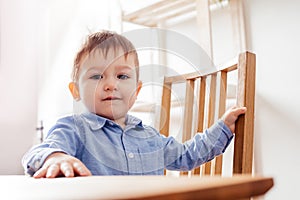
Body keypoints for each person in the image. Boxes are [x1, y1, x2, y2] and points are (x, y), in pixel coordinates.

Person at [22, 30, 246, 178]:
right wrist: (56, 157)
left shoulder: (150, 137)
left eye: (122, 77)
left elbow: (187, 155)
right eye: (97, 76)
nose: (110, 84)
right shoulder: (73, 128)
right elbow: (38, 153)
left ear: (136, 91)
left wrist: (223, 129)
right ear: (76, 91)